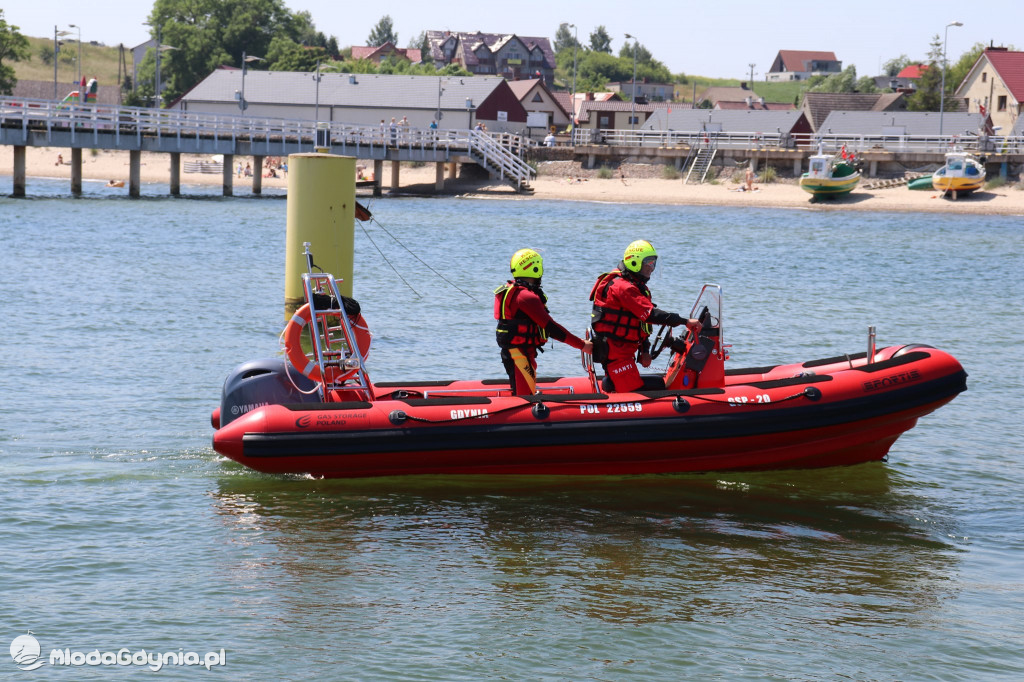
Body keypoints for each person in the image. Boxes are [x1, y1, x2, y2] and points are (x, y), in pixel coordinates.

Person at [589, 240, 701, 393]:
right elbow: (651, 314)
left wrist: (645, 351)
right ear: (634, 261)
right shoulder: (623, 288)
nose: (652, 268)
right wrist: (685, 322)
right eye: (648, 262)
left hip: (623, 354)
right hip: (617, 357)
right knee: (659, 386)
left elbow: (639, 323)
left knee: (658, 383)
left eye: (654, 263)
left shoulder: (636, 287)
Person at [495, 249, 592, 396]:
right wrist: (582, 345)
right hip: (519, 357)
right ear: (535, 268)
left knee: (523, 393)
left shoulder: (513, 291)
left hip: (515, 353)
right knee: (525, 399)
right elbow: (552, 328)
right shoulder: (526, 297)